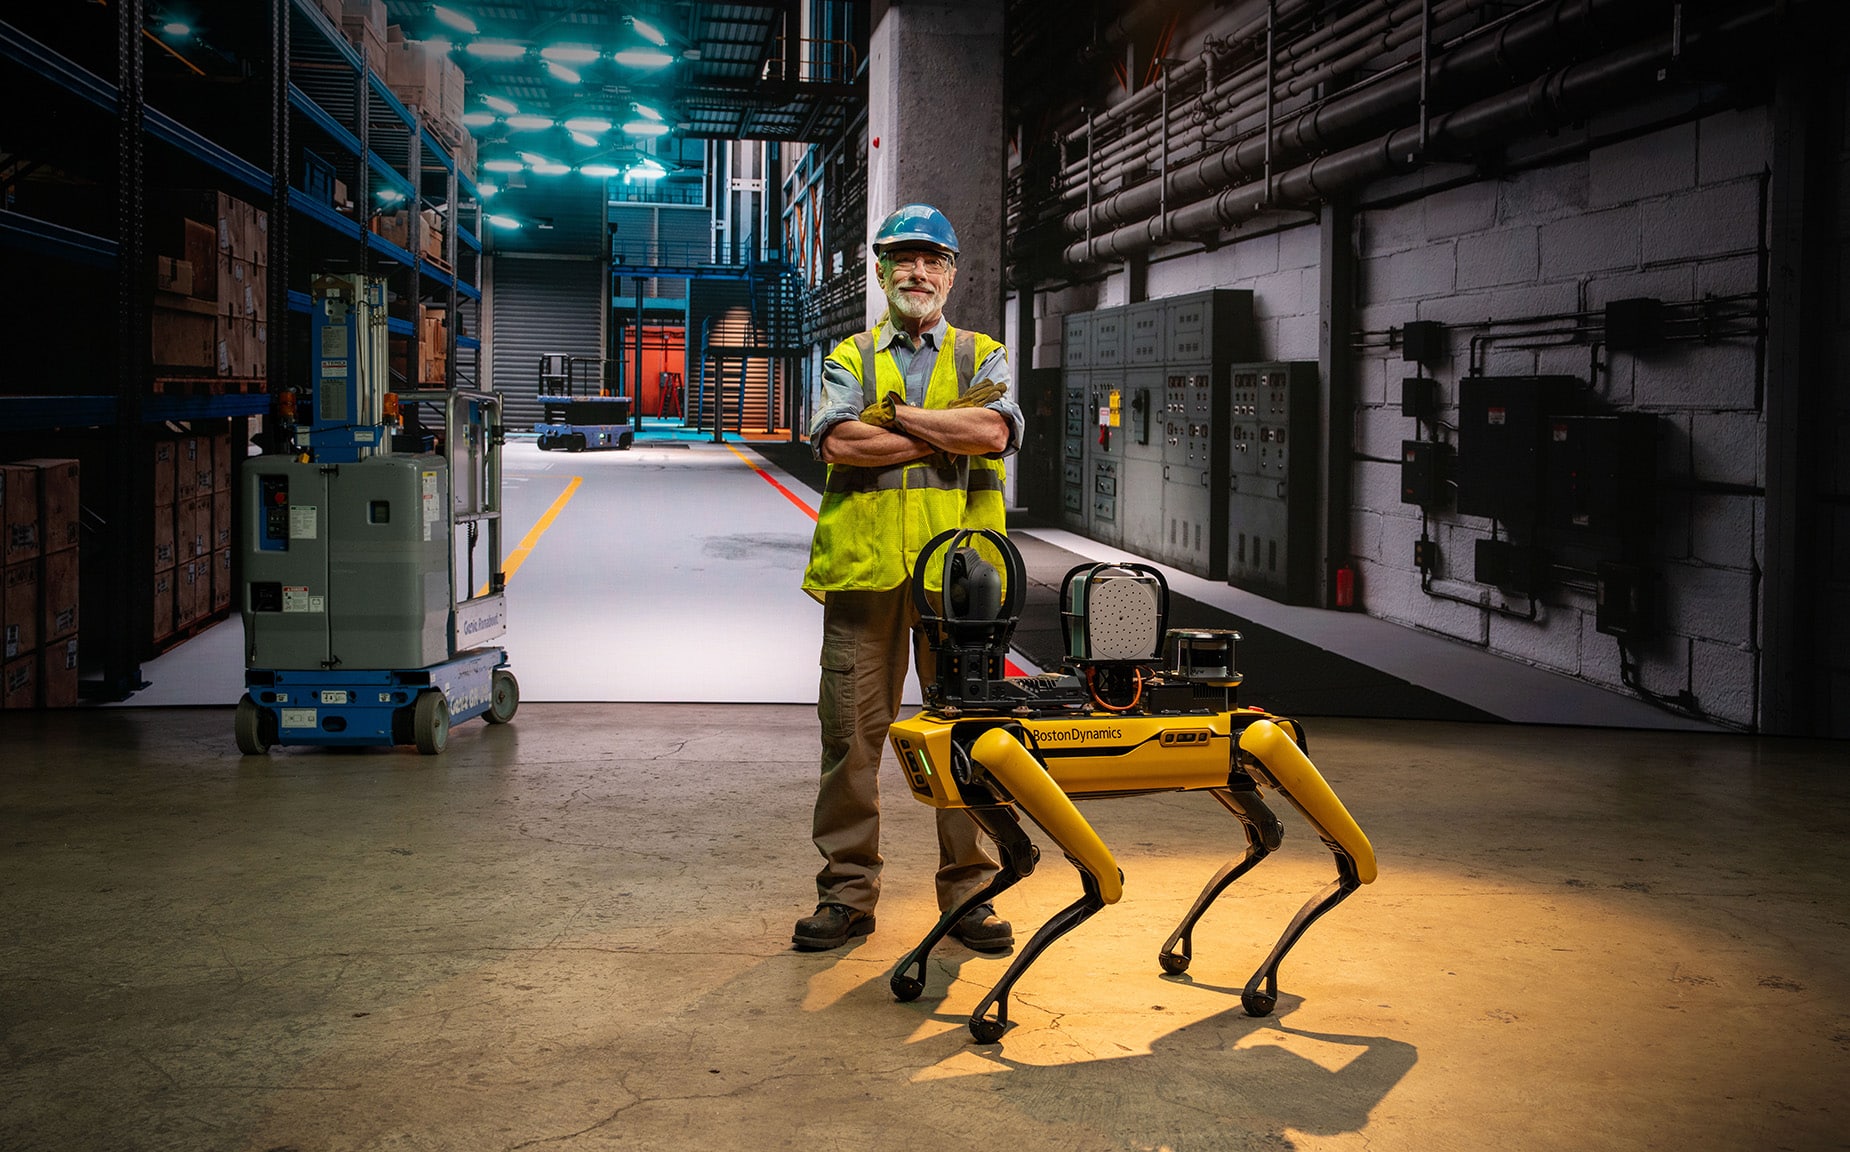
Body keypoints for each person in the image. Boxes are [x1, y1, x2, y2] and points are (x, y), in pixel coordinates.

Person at [793, 204, 1025, 952]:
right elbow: (835, 440)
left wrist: (893, 420)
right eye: (903, 260)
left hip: (962, 586)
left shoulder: (983, 353)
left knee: (965, 737)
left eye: (932, 261)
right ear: (882, 270)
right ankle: (847, 896)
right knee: (851, 740)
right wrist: (939, 426)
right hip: (866, 582)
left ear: (951, 273)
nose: (917, 273)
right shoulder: (850, 355)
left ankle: (970, 893)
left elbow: (993, 431)